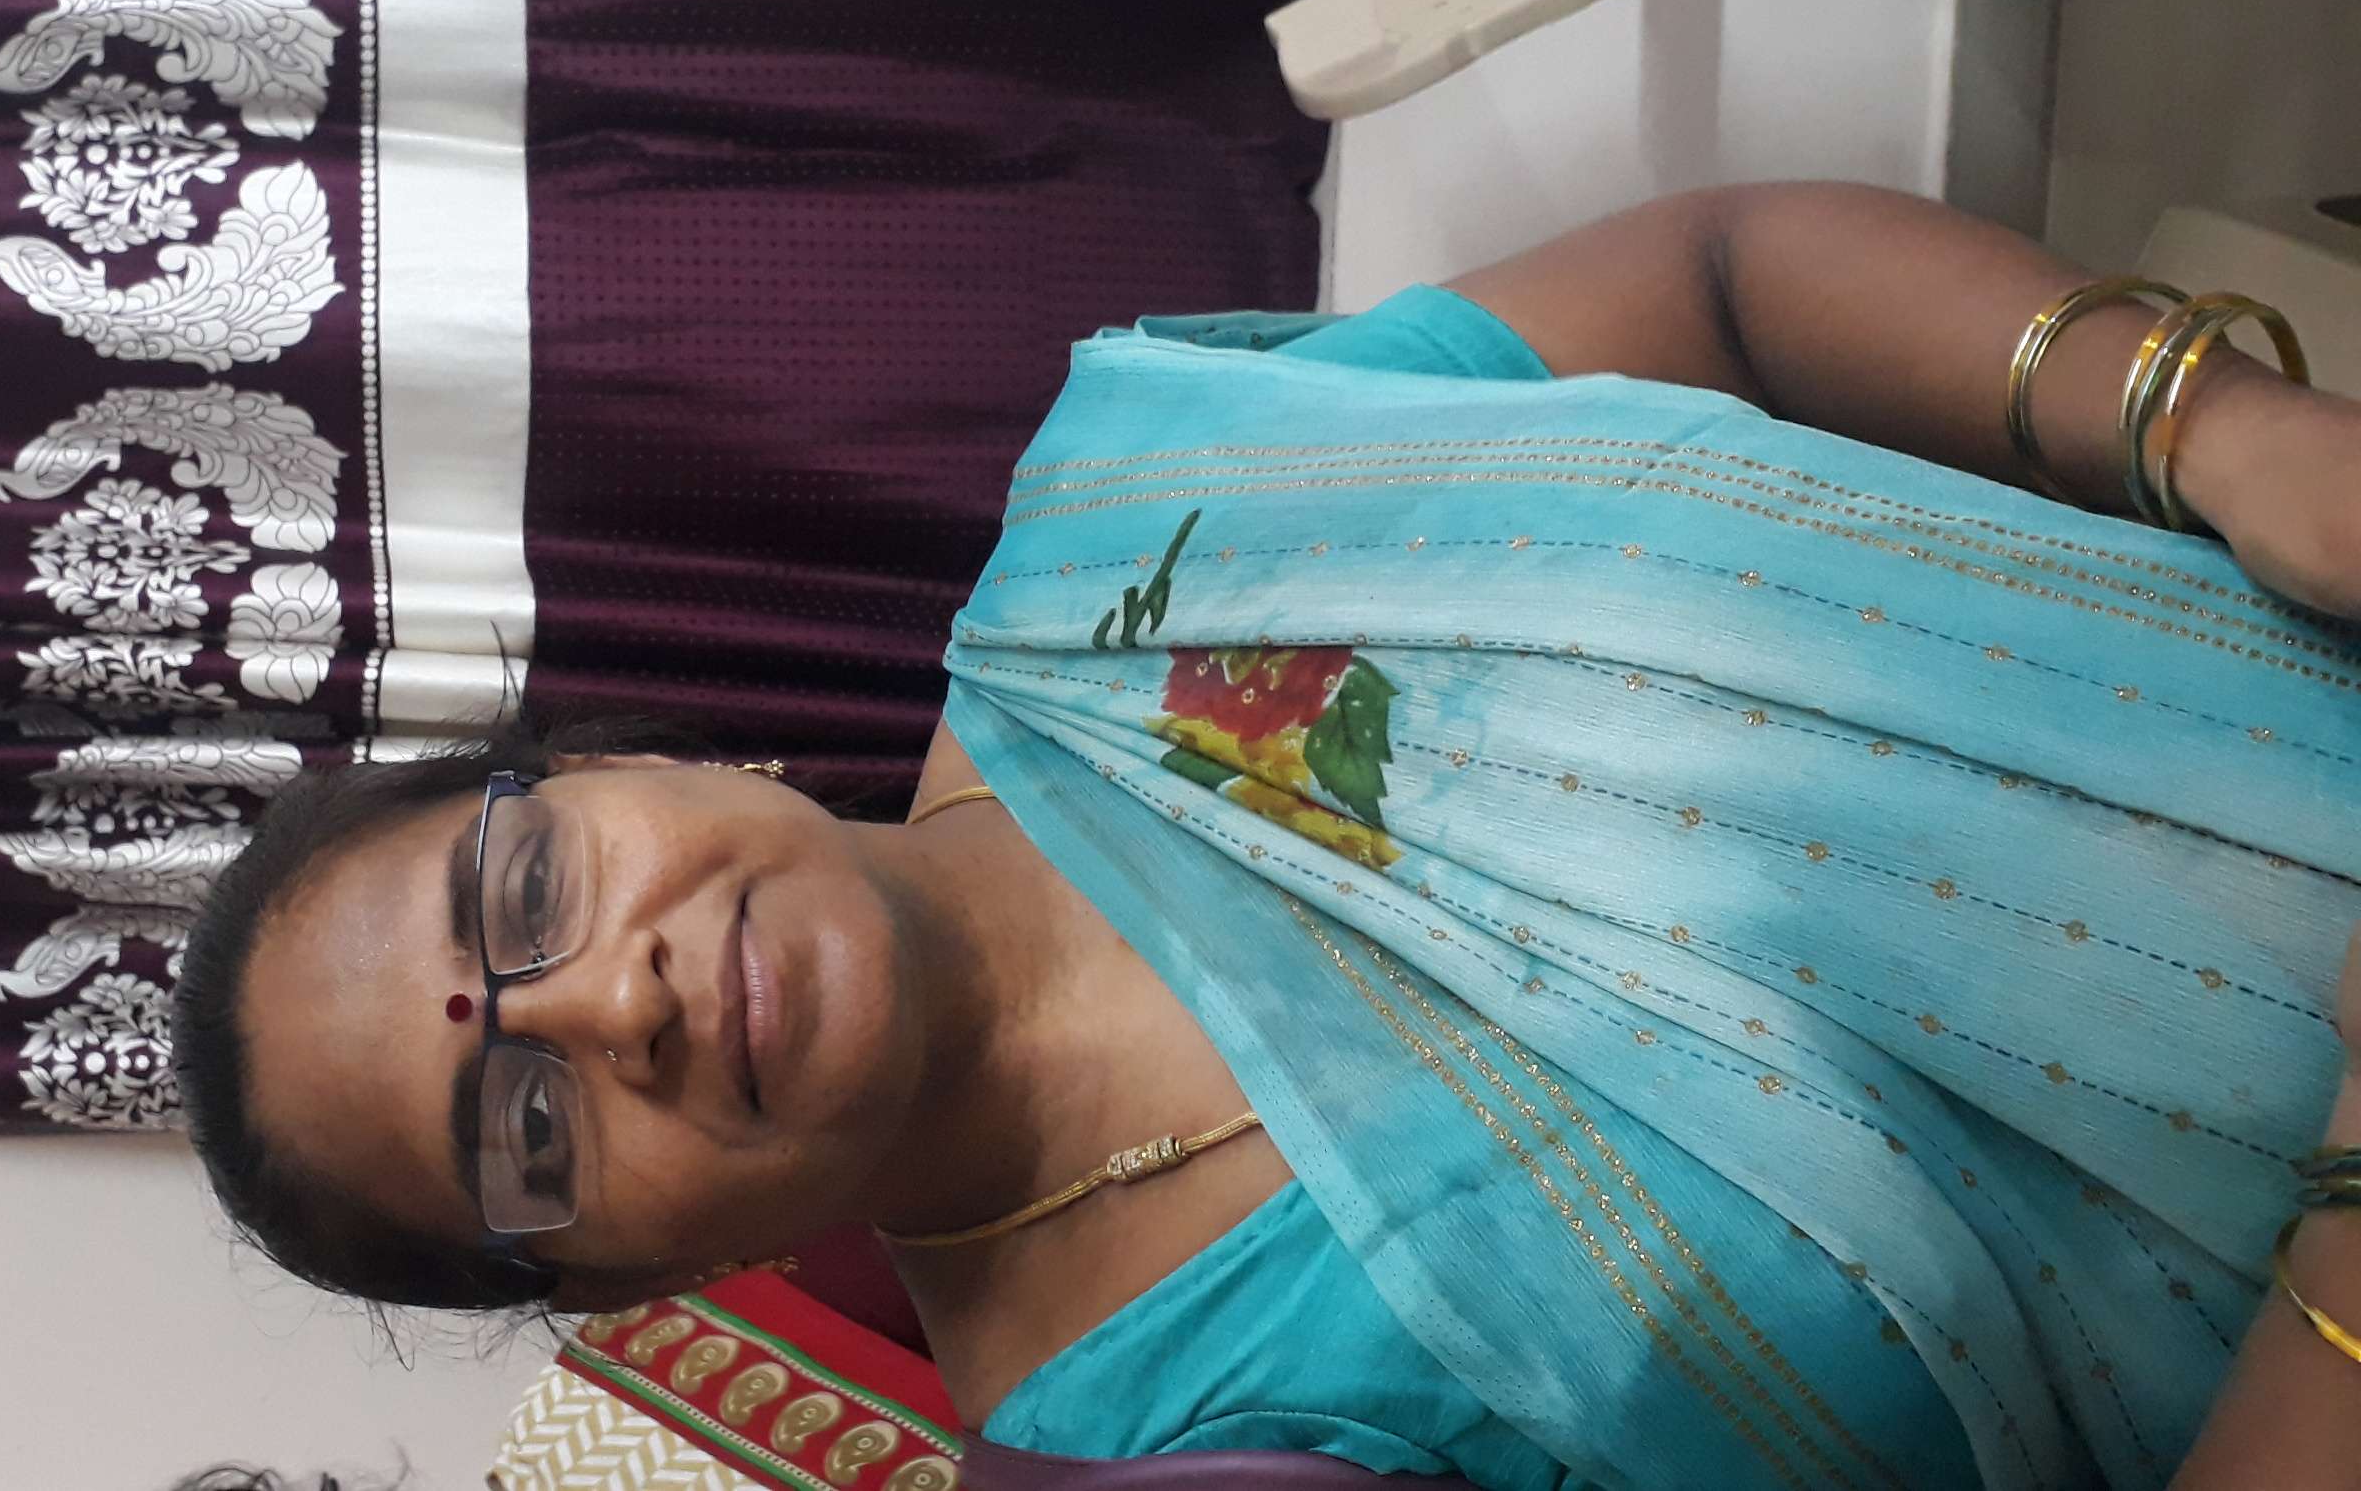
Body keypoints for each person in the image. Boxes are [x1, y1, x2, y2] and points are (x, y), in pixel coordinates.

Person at [174, 184, 2361, 1491]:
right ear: (614, 1283)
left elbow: (1723, 274)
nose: (609, 1006)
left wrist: (2221, 427)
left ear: (616, 761)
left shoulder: (1139, 511)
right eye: (526, 1130)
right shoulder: (1198, 1446)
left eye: (524, 893)